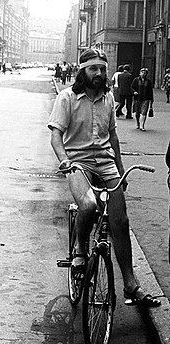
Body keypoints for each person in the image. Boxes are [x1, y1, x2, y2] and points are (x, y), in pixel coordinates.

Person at [48, 48, 161, 307]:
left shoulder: (108, 98)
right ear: (82, 71)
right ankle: (79, 249)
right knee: (88, 205)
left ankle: (131, 285)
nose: (99, 73)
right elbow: (55, 135)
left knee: (120, 221)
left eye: (102, 69)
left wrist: (120, 170)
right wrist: (64, 159)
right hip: (77, 162)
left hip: (106, 163)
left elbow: (113, 137)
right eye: (93, 69)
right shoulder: (67, 98)